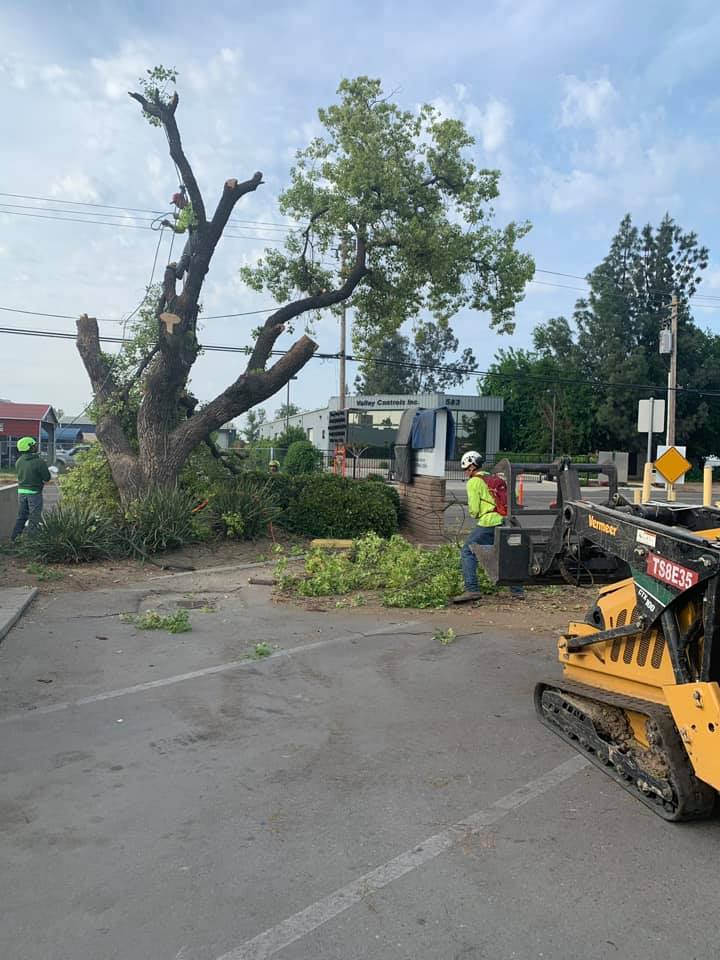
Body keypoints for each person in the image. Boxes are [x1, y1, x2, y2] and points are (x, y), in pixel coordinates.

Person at [453, 450, 524, 603]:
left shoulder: (474, 482)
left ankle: (472, 589)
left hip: (489, 521)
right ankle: (517, 591)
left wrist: (477, 513)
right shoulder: (495, 478)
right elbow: (515, 498)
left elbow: (474, 510)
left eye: (466, 469)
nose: (465, 472)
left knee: (467, 550)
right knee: (507, 553)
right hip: (507, 521)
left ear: (472, 467)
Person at [11, 437, 51, 541]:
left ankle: (14, 538)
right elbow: (47, 477)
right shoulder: (39, 461)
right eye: (34, 445)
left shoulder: (19, 461)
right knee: (34, 517)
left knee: (21, 516)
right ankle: (31, 542)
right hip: (34, 493)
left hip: (21, 492)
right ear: (30, 447)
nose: (36, 446)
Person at [162, 192, 199, 280]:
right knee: (187, 255)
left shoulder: (192, 205)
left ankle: (178, 272)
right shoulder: (182, 213)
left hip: (198, 232)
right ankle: (186, 269)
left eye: (177, 203)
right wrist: (170, 225)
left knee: (186, 255)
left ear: (182, 199)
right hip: (192, 235)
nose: (177, 206)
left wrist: (179, 217)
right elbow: (181, 229)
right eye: (175, 204)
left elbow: (192, 219)